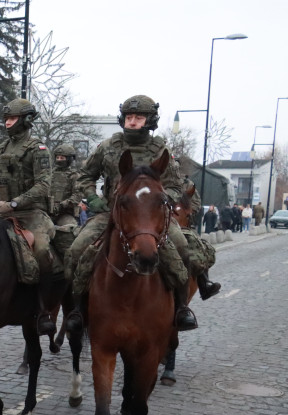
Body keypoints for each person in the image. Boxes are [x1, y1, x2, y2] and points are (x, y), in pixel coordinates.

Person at [64, 95, 220, 335]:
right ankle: (77, 309)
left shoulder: (160, 149)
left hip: (152, 218)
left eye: (138, 117)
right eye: (129, 117)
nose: (133, 121)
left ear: (149, 120)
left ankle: (181, 308)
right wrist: (93, 199)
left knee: (180, 246)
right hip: (112, 213)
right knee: (76, 250)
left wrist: (159, 201)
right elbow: (85, 176)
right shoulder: (108, 147)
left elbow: (175, 185)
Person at [0, 98, 58, 336]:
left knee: (41, 251)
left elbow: (43, 185)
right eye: (6, 119)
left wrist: (13, 203)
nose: (7, 123)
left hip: (31, 214)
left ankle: (43, 309)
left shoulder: (38, 150)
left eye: (12, 119)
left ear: (26, 120)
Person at [49, 143, 83, 260]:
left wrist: (64, 204)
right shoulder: (49, 174)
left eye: (62, 158)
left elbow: (78, 194)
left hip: (65, 213)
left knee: (67, 236)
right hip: (47, 212)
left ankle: (69, 263)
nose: (59, 160)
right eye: (57, 157)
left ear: (69, 159)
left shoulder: (74, 176)